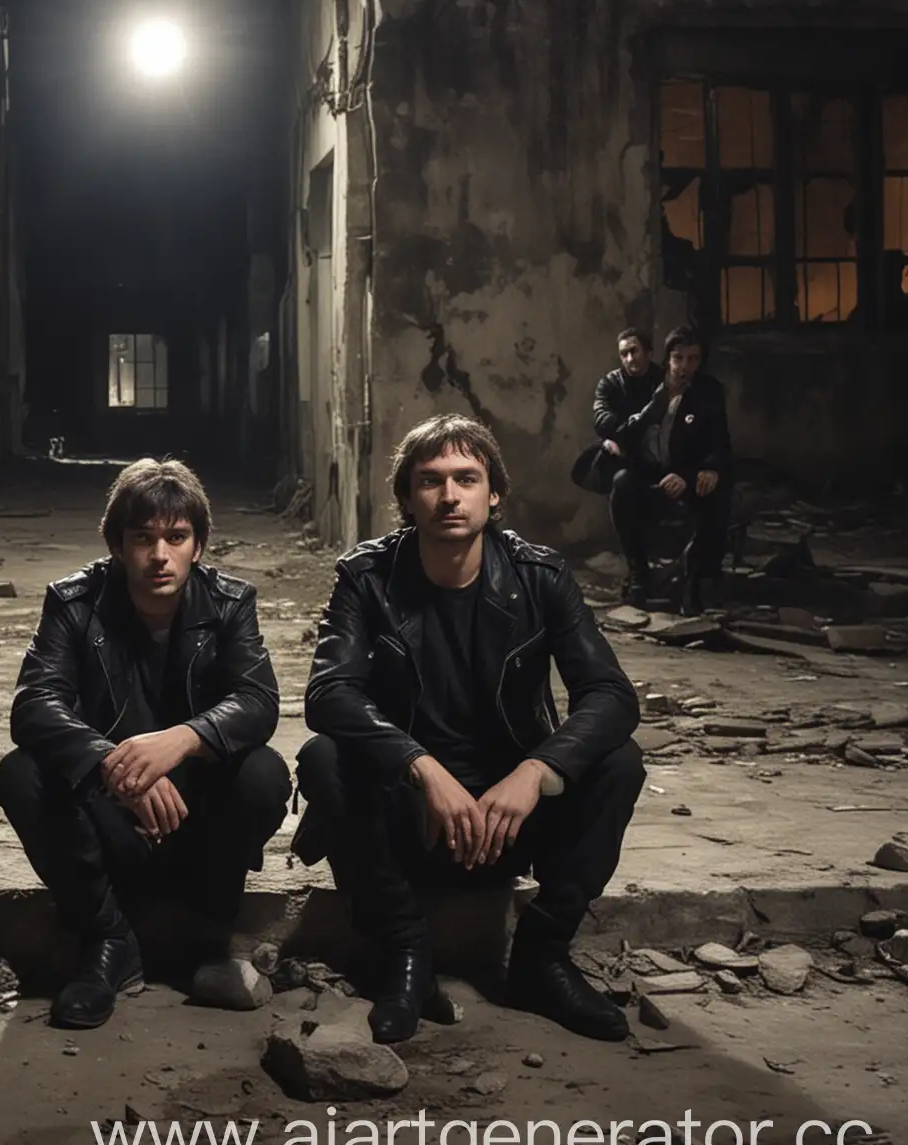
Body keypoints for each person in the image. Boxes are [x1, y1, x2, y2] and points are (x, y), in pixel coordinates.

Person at [293, 414, 644, 1046]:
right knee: (325, 757)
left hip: (506, 817)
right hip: (409, 818)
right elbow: (328, 693)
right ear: (406, 498)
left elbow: (611, 696)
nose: (449, 496)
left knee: (620, 761)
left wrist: (537, 772)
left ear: (494, 494)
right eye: (430, 481)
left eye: (466, 478)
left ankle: (542, 956)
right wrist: (421, 768)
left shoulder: (540, 576)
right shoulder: (366, 576)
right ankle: (404, 954)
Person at [0, 458, 291, 1030]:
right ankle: (107, 940)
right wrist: (115, 765)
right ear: (117, 545)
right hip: (112, 815)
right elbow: (35, 704)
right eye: (143, 538)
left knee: (264, 772)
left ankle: (207, 930)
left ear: (198, 546)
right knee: (20, 772)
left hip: (194, 817)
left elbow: (258, 701)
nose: (160, 556)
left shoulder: (230, 603)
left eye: (176, 538)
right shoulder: (74, 602)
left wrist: (181, 741)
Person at [609, 324, 733, 615]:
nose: (685, 366)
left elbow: (720, 443)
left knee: (716, 492)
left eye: (693, 359)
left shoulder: (708, 391)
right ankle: (639, 572)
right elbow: (628, 434)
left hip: (686, 473)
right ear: (667, 359)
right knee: (622, 485)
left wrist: (702, 473)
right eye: (679, 358)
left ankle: (697, 582)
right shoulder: (648, 385)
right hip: (651, 472)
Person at [570, 329, 663, 510]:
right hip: (622, 456)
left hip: (658, 456)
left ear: (648, 352)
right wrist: (618, 436)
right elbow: (601, 419)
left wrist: (630, 429)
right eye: (624, 354)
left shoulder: (662, 381)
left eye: (634, 351)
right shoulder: (610, 383)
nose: (629, 359)